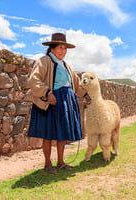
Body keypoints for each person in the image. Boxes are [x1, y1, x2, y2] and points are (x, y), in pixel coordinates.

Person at [27, 33, 83, 174]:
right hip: (51, 101)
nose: (63, 51)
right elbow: (34, 80)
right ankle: (47, 164)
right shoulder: (44, 61)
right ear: (52, 48)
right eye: (60, 47)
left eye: (65, 48)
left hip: (66, 102)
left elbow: (76, 83)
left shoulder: (66, 66)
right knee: (48, 133)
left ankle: (61, 162)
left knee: (62, 133)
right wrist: (47, 93)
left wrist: (86, 94)